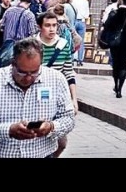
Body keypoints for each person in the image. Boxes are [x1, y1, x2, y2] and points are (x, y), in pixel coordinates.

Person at [0, 37, 76, 158]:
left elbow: (69, 118)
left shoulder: (57, 79)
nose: (28, 78)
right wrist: (8, 130)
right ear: (13, 63)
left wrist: (51, 127)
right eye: (22, 72)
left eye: (34, 72)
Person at [36, 10, 78, 158]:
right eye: (47, 25)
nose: (52, 29)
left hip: (55, 96)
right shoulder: (33, 44)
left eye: (54, 25)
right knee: (38, 136)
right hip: (35, 95)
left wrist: (73, 99)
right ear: (40, 27)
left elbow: (69, 73)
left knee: (62, 143)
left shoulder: (63, 44)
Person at [103, 0, 126, 98]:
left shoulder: (114, 13)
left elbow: (106, 24)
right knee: (123, 66)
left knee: (116, 64)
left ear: (122, 1)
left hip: (115, 43)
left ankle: (116, 85)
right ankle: (120, 90)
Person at [0, 0, 38, 66]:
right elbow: (32, 33)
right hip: (22, 47)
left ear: (20, 1)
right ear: (29, 4)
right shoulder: (29, 15)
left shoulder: (8, 10)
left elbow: (2, 27)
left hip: (7, 45)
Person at [70, 0, 90, 66]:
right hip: (82, 21)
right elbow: (87, 14)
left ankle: (71, 59)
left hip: (74, 20)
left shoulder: (72, 0)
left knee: (72, 40)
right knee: (81, 41)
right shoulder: (85, 1)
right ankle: (80, 60)